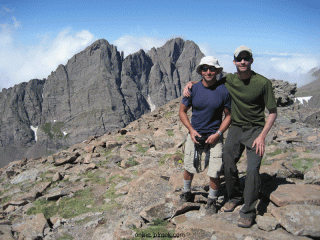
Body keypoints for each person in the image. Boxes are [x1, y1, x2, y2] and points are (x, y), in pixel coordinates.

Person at [183, 46, 277, 227]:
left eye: (246, 58)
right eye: (239, 59)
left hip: (256, 130)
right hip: (236, 128)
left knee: (251, 170)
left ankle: (248, 211)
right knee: (227, 161)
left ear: (251, 60)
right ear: (234, 62)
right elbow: (209, 81)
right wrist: (191, 83)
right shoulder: (229, 80)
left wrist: (263, 135)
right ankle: (234, 195)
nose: (243, 61)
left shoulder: (263, 83)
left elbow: (272, 112)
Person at [179, 56, 231, 214]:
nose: (208, 72)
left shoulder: (224, 91)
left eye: (212, 69)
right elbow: (182, 111)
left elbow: (228, 115)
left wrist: (218, 134)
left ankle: (212, 201)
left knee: (215, 171)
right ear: (200, 71)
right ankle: (186, 193)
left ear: (217, 71)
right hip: (194, 134)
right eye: (205, 69)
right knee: (188, 166)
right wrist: (191, 130)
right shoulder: (193, 89)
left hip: (214, 136)